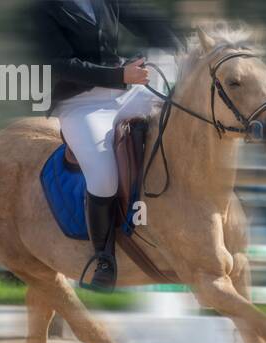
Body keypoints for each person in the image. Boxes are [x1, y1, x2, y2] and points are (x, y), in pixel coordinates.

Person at [31, 0, 181, 291]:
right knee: (103, 176)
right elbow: (61, 66)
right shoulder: (45, 8)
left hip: (122, 92)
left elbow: (142, 18)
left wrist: (176, 45)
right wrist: (119, 75)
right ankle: (103, 260)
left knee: (178, 114)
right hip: (79, 104)